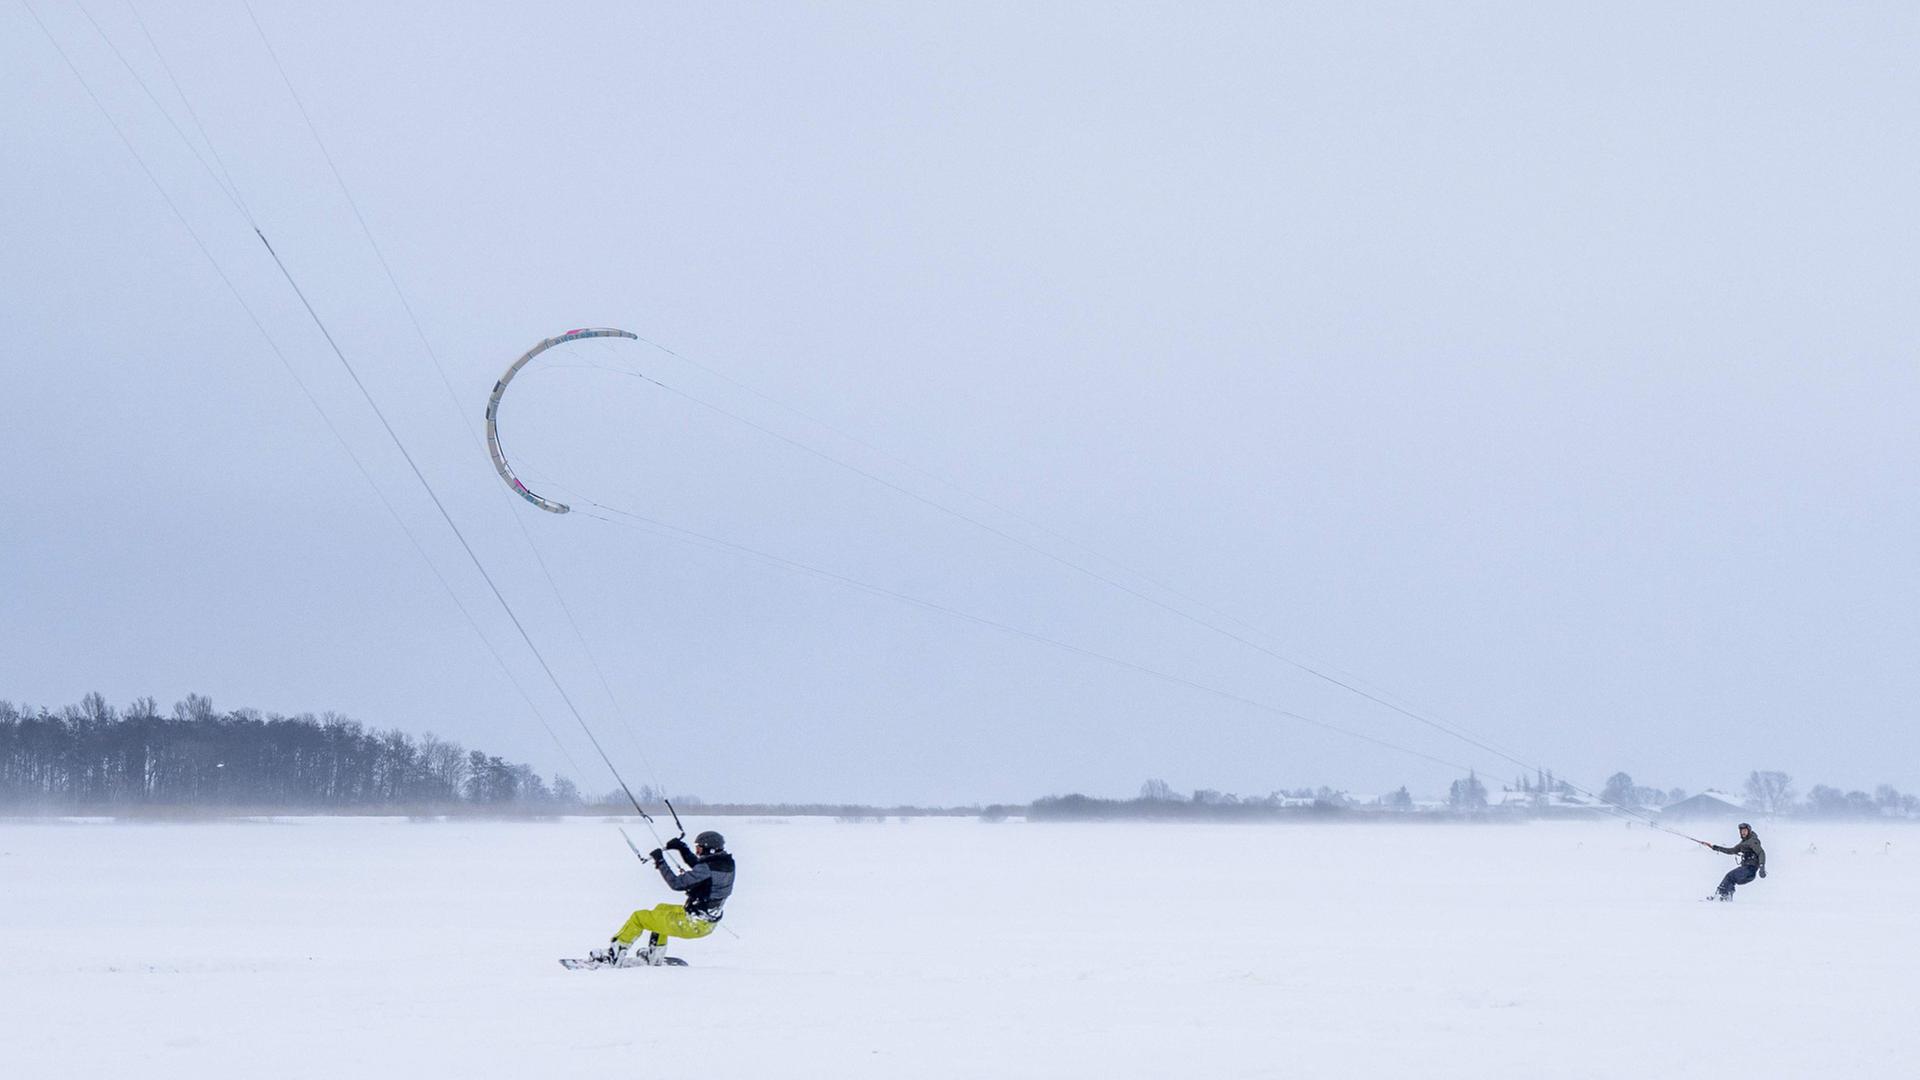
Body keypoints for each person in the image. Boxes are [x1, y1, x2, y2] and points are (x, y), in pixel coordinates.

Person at [591, 830, 735, 966]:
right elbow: (700, 867)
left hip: (692, 924)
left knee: (638, 917)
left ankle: (614, 954)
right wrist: (682, 848)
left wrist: (660, 861)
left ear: (709, 849)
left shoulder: (706, 869)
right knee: (662, 908)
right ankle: (655, 954)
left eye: (699, 849)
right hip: (704, 922)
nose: (697, 852)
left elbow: (676, 883)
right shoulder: (725, 864)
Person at [1700, 822, 1766, 900]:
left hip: (1749, 869)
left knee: (1730, 876)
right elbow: (1731, 851)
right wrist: (1714, 847)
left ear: (1749, 831)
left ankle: (1722, 895)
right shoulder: (1743, 843)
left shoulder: (1752, 841)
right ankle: (1726, 896)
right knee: (1731, 878)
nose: (1743, 832)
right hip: (1746, 870)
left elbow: (1761, 853)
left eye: (1745, 830)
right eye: (1741, 831)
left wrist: (1762, 867)